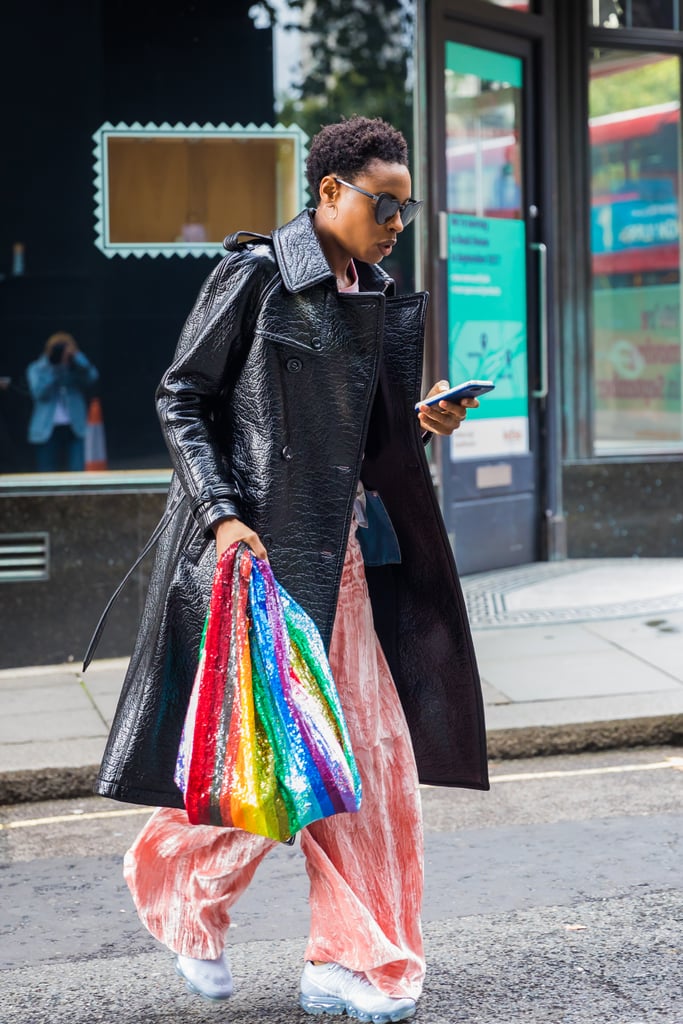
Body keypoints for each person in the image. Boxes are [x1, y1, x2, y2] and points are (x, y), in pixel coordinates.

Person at [92, 116, 489, 1022]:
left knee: (372, 765)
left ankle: (354, 956)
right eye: (381, 203)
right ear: (329, 192)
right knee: (280, 757)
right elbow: (180, 396)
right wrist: (223, 514)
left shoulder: (375, 292)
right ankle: (177, 881)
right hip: (261, 562)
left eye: (406, 206)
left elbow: (362, 438)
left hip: (346, 558)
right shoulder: (257, 275)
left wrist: (416, 421)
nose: (396, 221)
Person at [26, 332, 99, 471]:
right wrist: (54, 368)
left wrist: (77, 358)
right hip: (46, 429)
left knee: (77, 470)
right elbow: (39, 393)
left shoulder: (76, 368)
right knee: (46, 472)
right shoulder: (38, 368)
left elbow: (92, 378)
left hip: (75, 426)